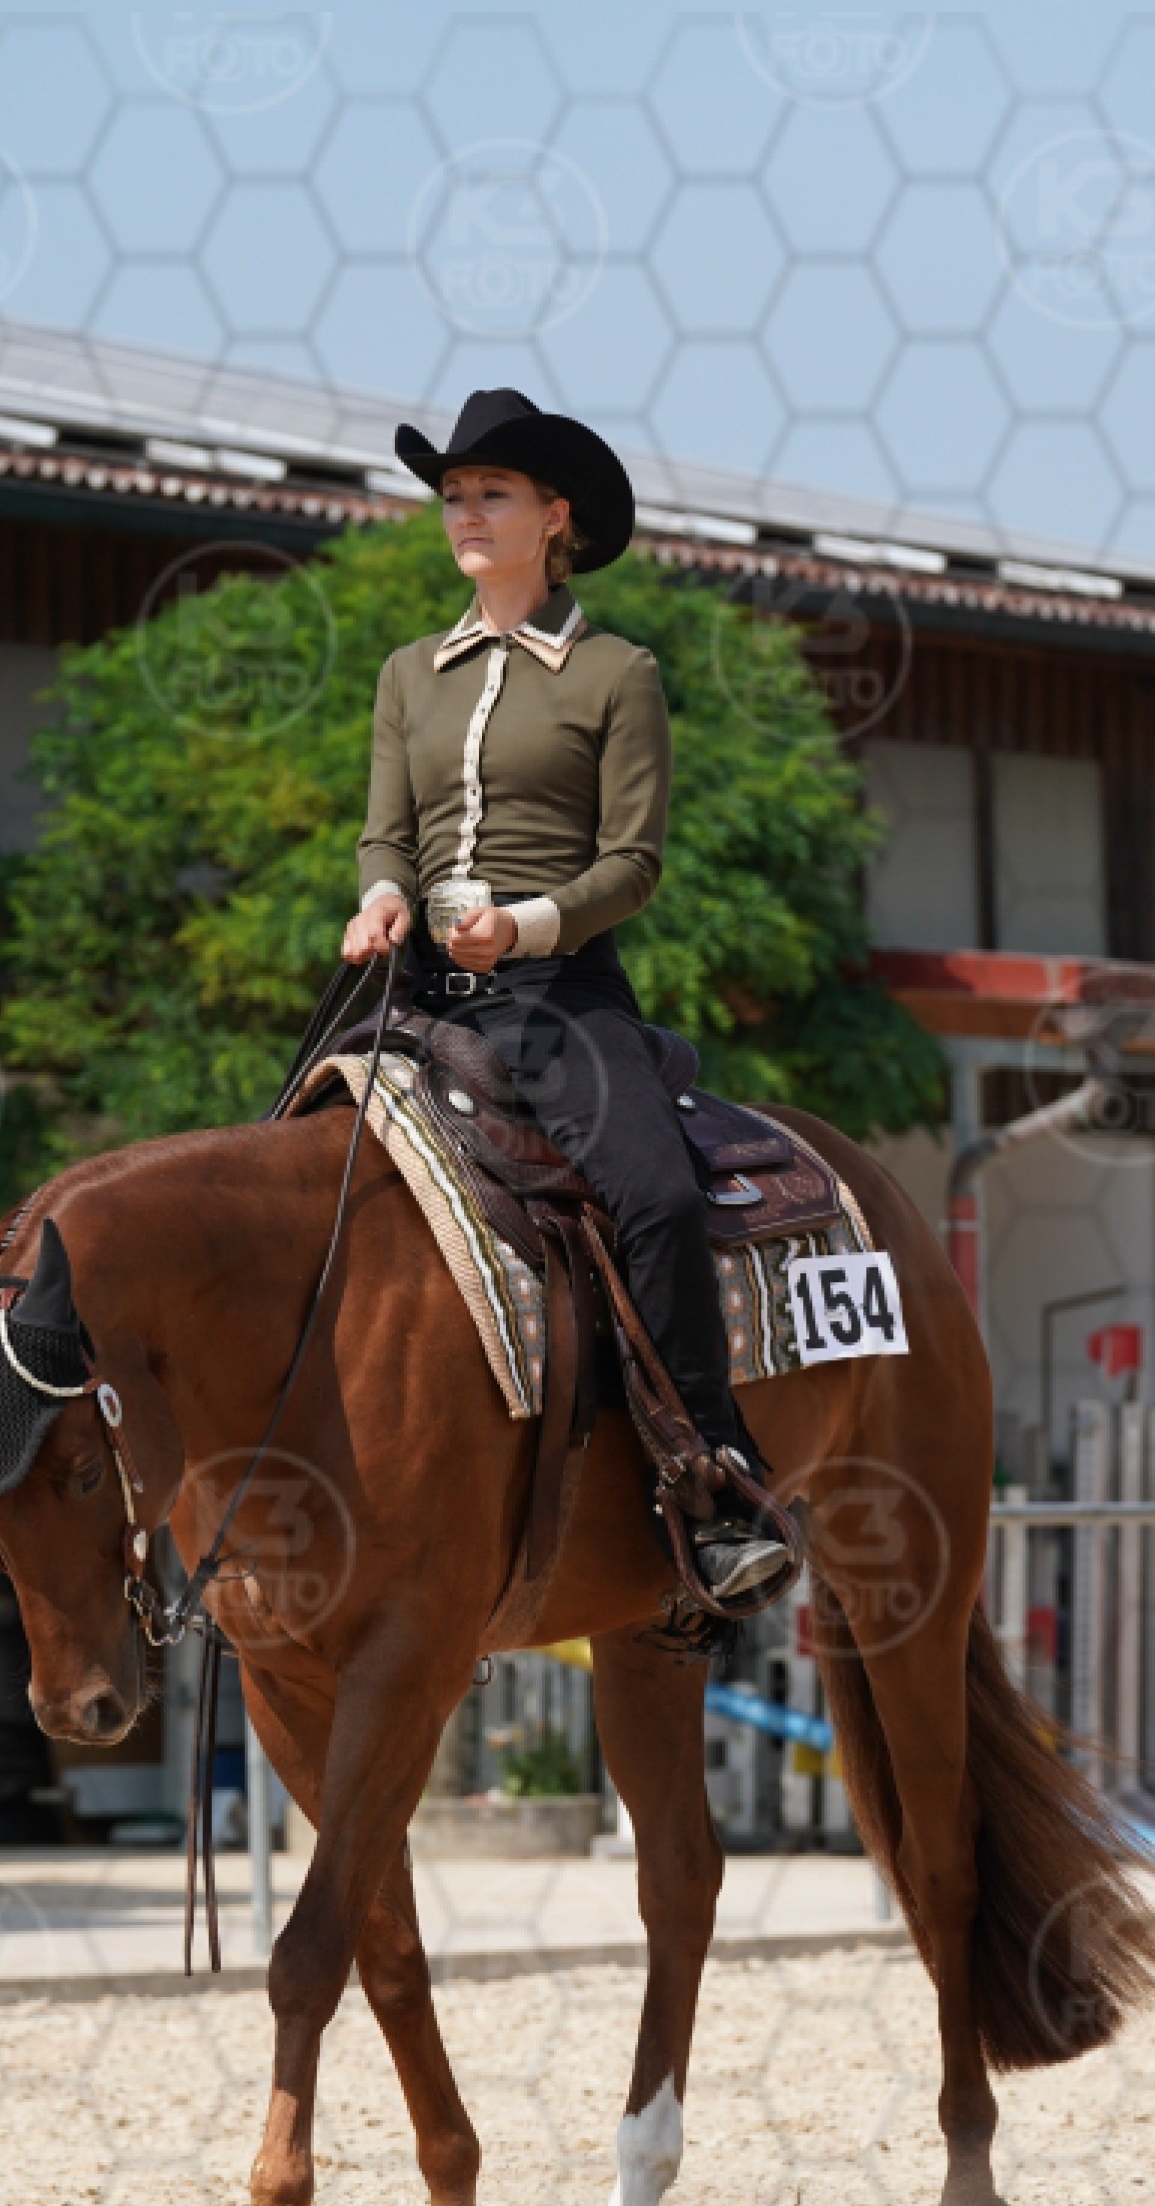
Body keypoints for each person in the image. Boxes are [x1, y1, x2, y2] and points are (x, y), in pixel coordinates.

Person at [342, 386, 792, 1605]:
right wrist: (379, 898)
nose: (463, 513)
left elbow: (631, 865)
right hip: (412, 985)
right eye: (452, 494)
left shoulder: (614, 672)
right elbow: (387, 836)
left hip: (556, 989)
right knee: (279, 1164)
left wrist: (524, 924)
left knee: (655, 1197)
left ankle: (716, 1479)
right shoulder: (406, 674)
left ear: (554, 518)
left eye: (490, 493)